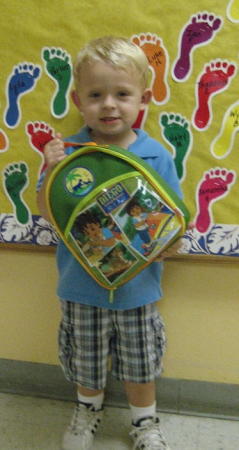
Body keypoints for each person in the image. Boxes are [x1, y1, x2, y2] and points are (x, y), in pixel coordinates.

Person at [37, 36, 184, 450]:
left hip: (138, 288)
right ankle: (87, 411)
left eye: (122, 94)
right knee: (85, 358)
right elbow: (47, 212)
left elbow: (174, 221)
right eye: (96, 94)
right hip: (80, 286)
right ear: (77, 100)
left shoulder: (157, 156)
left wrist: (173, 243)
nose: (109, 105)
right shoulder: (68, 154)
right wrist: (50, 170)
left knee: (141, 362)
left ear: (143, 99)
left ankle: (144, 421)